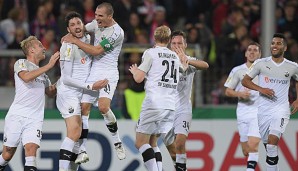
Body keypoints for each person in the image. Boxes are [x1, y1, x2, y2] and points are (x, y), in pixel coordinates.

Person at [62, 2, 126, 161]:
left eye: (100, 16)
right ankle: (82, 150)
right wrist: (70, 34)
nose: (96, 19)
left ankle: (117, 142)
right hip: (94, 71)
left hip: (109, 72)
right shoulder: (96, 24)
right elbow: (81, 28)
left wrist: (75, 41)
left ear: (110, 17)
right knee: (84, 108)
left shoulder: (117, 33)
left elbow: (97, 50)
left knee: (104, 107)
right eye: (96, 15)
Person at [129, 25, 187, 171]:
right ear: (168, 40)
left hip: (154, 103)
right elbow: (181, 74)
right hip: (169, 106)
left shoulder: (151, 53)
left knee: (140, 142)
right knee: (153, 142)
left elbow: (138, 78)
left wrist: (135, 71)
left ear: (154, 38)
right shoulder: (174, 56)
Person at [57, 12, 108, 171]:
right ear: (68, 29)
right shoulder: (67, 46)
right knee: (74, 132)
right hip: (69, 93)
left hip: (82, 93)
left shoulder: (86, 37)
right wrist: (90, 86)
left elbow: (99, 23)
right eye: (72, 25)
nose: (77, 27)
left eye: (78, 23)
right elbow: (66, 78)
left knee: (76, 136)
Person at [0, 36, 59, 170]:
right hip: (17, 114)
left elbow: (50, 93)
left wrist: (62, 81)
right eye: (40, 46)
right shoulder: (21, 63)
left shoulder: (44, 76)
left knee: (31, 150)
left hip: (35, 117)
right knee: (8, 153)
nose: (44, 48)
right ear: (31, 50)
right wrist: (49, 66)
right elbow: (26, 77)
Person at [242, 33, 298, 171]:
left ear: (284, 48)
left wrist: (297, 99)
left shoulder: (292, 66)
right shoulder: (261, 63)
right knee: (269, 147)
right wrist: (261, 89)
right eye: (273, 43)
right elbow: (245, 80)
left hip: (281, 109)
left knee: (273, 143)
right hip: (263, 110)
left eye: (278, 43)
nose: (275, 46)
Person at [161, 30, 209, 171]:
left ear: (185, 45)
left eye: (179, 43)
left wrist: (186, 60)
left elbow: (205, 65)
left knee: (180, 143)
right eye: (174, 43)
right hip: (166, 110)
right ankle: (181, 168)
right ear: (170, 45)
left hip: (183, 109)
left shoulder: (189, 60)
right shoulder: (164, 61)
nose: (176, 46)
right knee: (173, 151)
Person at [224, 42, 262, 171]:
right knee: (246, 150)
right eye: (249, 50)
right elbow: (228, 91)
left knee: (253, 144)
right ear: (245, 53)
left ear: (259, 54)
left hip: (259, 111)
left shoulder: (265, 71)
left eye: (255, 50)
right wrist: (239, 93)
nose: (252, 52)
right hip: (243, 112)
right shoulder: (237, 70)